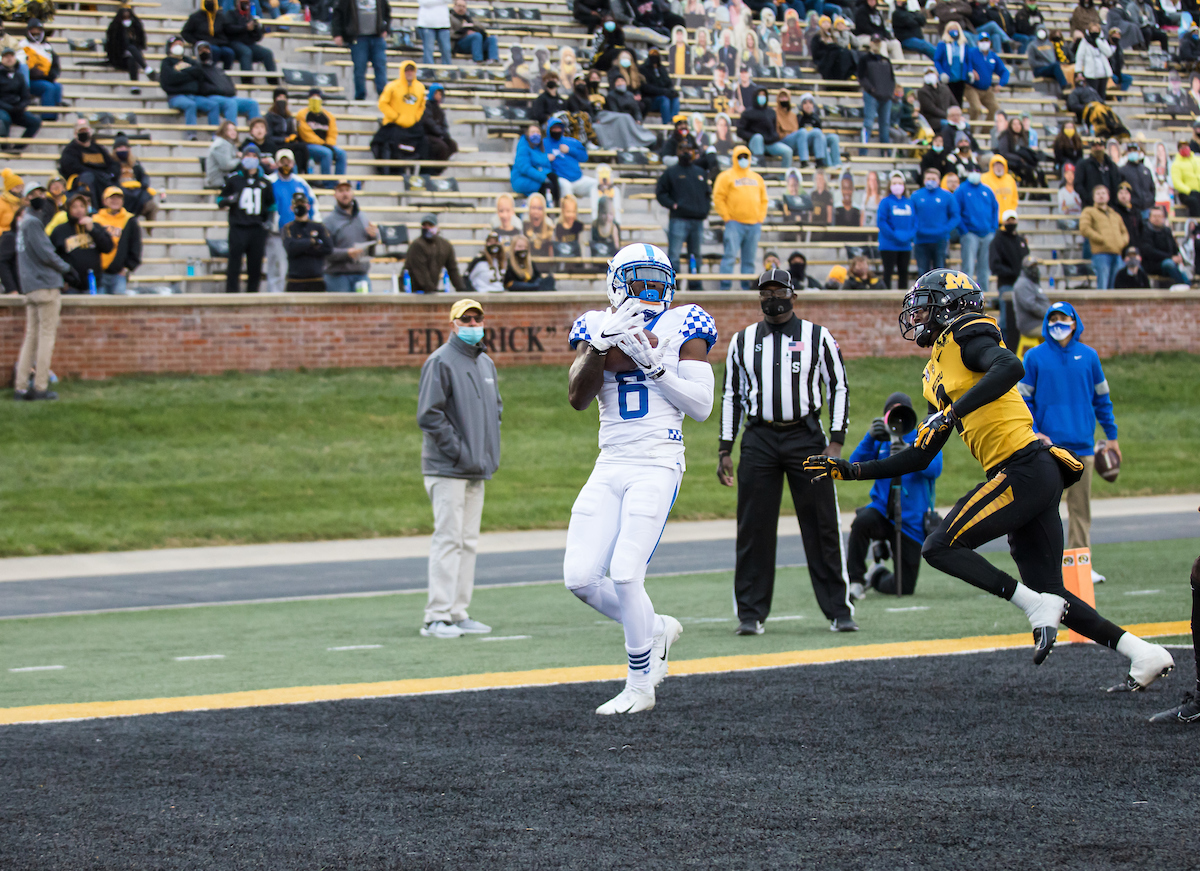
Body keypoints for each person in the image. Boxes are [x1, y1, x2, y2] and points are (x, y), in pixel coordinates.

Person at [803, 269, 1174, 691]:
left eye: (926, 305)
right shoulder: (933, 372)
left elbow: (1009, 365)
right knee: (1052, 594)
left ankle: (1034, 606)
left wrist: (955, 411)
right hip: (1030, 473)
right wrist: (854, 470)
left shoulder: (968, 334)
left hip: (1024, 466)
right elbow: (922, 453)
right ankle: (1141, 651)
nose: (919, 315)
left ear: (952, 305)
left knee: (940, 546)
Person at [564, 243, 714, 712]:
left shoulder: (685, 321)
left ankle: (640, 684)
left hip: (658, 458)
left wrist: (656, 367)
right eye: (638, 279)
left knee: (627, 573)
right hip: (610, 460)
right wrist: (599, 345)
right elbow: (577, 397)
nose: (648, 290)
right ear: (614, 281)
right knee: (580, 577)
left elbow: (702, 406)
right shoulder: (593, 323)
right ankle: (654, 627)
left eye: (656, 279)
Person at [719, 267, 853, 634]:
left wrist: (836, 440)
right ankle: (750, 613)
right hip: (759, 437)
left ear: (794, 295)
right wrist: (724, 448)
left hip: (806, 437)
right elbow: (731, 395)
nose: (772, 298)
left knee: (822, 523)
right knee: (753, 527)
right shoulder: (742, 341)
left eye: (779, 291)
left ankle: (839, 610)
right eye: (765, 292)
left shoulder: (817, 336)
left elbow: (838, 386)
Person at [416, 298, 501, 639]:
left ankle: (457, 611)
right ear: (453, 325)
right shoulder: (440, 362)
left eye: (476, 318)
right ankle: (435, 615)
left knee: (467, 542)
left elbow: (495, 410)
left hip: (476, 468)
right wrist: (460, 452)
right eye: (464, 320)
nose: (471, 324)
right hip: (447, 468)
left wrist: (484, 455)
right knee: (448, 540)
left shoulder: (485, 363)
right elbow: (430, 415)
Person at [1019, 300, 1120, 584]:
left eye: (1063, 319)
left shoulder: (1089, 356)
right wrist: (1036, 431)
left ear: (1075, 322)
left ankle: (1080, 567)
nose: (1057, 324)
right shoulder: (1034, 357)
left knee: (1080, 510)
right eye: (1053, 319)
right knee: (1044, 509)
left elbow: (1102, 400)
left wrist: (1111, 436)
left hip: (1083, 446)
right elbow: (1022, 400)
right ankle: (1045, 569)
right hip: (1049, 449)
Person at [846, 393, 943, 599]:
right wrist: (870, 436)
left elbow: (935, 469)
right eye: (892, 412)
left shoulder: (922, 436)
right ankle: (855, 580)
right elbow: (853, 466)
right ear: (884, 416)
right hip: (882, 512)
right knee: (861, 523)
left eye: (902, 412)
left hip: (910, 521)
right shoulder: (880, 439)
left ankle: (875, 575)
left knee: (904, 587)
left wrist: (911, 455)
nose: (897, 418)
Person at [14, 195, 73, 400]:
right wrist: (67, 268)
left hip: (29, 287)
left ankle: (21, 387)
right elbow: (46, 253)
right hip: (45, 286)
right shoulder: (33, 224)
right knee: (46, 337)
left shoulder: (22, 225)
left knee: (31, 337)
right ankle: (40, 386)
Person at [217, 143, 275, 293]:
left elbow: (271, 205)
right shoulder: (234, 180)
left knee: (255, 266)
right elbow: (219, 201)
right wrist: (229, 200)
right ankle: (231, 295)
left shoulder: (265, 182)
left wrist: (268, 220)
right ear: (242, 158)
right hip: (238, 227)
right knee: (234, 265)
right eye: (248, 155)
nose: (251, 158)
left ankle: (253, 296)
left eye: (254, 156)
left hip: (257, 228)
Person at [656, 137, 709, 287]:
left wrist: (704, 210)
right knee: (674, 254)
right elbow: (661, 193)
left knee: (696, 255)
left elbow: (707, 194)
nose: (686, 152)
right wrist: (672, 205)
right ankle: (674, 285)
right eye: (683, 149)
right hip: (679, 219)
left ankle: (695, 284)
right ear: (677, 151)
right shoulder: (671, 172)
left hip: (697, 220)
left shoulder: (700, 173)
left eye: (689, 149)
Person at [714, 145, 768, 289]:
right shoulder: (726, 176)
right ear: (734, 158)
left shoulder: (757, 178)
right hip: (734, 224)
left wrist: (760, 218)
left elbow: (764, 199)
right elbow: (718, 197)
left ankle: (747, 288)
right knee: (730, 257)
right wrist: (726, 217)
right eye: (740, 157)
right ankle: (725, 287)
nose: (743, 160)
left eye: (745, 157)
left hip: (754, 225)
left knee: (749, 260)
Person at [265, 149, 319, 294]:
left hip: (299, 233)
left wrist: (313, 226)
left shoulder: (301, 183)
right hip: (277, 233)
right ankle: (275, 299)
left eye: (288, 161)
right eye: (282, 161)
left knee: (296, 269)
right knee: (277, 269)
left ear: (293, 162)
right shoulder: (269, 182)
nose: (286, 164)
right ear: (276, 163)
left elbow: (313, 204)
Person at [50, 193, 114, 294]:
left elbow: (108, 247)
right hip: (70, 285)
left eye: (82, 206)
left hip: (94, 284)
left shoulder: (95, 226)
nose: (79, 210)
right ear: (68, 209)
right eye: (74, 207)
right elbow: (52, 257)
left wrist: (92, 230)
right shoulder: (60, 231)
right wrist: (61, 280)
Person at [323, 179, 377, 293]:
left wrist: (373, 237)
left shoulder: (363, 217)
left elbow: (371, 251)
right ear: (335, 195)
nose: (345, 194)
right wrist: (347, 253)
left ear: (352, 193)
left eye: (347, 190)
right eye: (341, 191)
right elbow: (325, 252)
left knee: (365, 310)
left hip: (361, 274)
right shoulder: (329, 221)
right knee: (340, 311)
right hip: (337, 277)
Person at [332, 0, 391, 101]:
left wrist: (385, 28)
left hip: (376, 38)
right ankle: (360, 96)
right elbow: (338, 14)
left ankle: (383, 96)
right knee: (359, 69)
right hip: (358, 38)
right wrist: (337, 33)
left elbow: (387, 12)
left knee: (380, 67)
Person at [374, 61, 428, 167]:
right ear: (402, 72)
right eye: (407, 70)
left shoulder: (420, 87)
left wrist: (416, 117)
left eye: (411, 70)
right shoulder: (392, 86)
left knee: (425, 143)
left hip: (412, 126)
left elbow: (422, 105)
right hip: (394, 125)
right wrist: (395, 117)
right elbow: (382, 103)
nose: (409, 73)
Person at [194, 41, 261, 125]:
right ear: (197, 53)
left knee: (252, 104)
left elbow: (230, 85)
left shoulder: (218, 70)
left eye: (207, 49)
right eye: (201, 50)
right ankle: (231, 134)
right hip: (211, 97)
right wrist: (218, 90)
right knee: (231, 103)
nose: (205, 52)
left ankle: (257, 132)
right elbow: (201, 88)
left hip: (228, 97)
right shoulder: (196, 70)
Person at [92, 186, 143, 295]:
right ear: (104, 201)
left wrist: (127, 267)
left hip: (118, 273)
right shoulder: (95, 219)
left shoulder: (129, 220)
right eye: (111, 198)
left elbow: (135, 246)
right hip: (98, 273)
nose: (115, 201)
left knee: (119, 307)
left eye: (118, 198)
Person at [989, 208, 1029, 345]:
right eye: (1008, 220)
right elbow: (994, 265)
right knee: (1006, 320)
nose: (1011, 222)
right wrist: (1013, 272)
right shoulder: (997, 241)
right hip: (1007, 284)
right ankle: (1002, 346)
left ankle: (1016, 347)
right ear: (1003, 222)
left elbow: (1026, 260)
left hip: (1022, 284)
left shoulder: (1021, 240)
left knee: (1021, 317)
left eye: (1013, 219)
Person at [955, 166, 999, 291]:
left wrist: (993, 228)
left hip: (987, 233)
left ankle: (983, 294)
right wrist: (964, 230)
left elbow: (995, 208)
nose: (974, 174)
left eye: (977, 172)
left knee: (985, 267)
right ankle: (966, 295)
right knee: (968, 266)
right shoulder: (961, 190)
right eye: (972, 171)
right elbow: (955, 211)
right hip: (970, 233)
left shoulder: (987, 190)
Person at [912, 167, 961, 273]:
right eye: (928, 178)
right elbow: (911, 216)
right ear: (924, 180)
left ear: (939, 180)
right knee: (922, 272)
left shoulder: (947, 196)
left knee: (940, 272)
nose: (931, 181)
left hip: (940, 239)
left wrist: (945, 229)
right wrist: (916, 229)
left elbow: (956, 216)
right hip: (921, 240)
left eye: (933, 179)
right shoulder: (916, 196)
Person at [280, 192, 332, 292]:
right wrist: (312, 242)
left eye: (302, 204)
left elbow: (328, 248)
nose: (300, 207)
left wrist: (301, 247)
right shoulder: (288, 228)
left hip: (316, 279)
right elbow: (290, 248)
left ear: (308, 206)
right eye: (297, 204)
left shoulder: (318, 227)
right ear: (292, 208)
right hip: (295, 280)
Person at [1080, 183, 1128, 288]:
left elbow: (1124, 232)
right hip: (1101, 254)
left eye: (1103, 193)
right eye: (1098, 194)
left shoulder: (1115, 214)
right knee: (1103, 285)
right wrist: (1101, 239)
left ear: (1108, 196)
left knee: (1115, 286)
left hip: (1117, 254)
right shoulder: (1089, 211)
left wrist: (1121, 242)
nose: (1101, 195)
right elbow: (1084, 228)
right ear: (1093, 197)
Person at [877, 170, 916, 289]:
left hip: (905, 245)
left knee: (904, 273)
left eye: (900, 183)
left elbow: (915, 222)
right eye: (894, 183)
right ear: (890, 185)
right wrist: (895, 235)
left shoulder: (909, 203)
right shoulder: (885, 202)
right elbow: (881, 222)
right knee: (888, 273)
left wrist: (909, 236)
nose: (897, 185)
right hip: (889, 245)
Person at [407, 214, 466, 293]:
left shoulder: (445, 245)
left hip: (430, 289)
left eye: (430, 225)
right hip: (414, 290)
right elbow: (420, 271)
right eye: (424, 225)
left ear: (437, 228)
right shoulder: (417, 245)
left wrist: (461, 289)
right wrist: (430, 289)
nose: (427, 228)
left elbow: (452, 269)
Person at [298, 90, 345, 187]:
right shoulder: (302, 114)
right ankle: (327, 184)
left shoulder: (328, 116)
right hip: (308, 146)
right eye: (313, 97)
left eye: (318, 97)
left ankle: (339, 183)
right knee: (326, 153)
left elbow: (332, 132)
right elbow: (305, 134)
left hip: (326, 145)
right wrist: (323, 144)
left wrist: (329, 143)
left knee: (342, 154)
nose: (315, 99)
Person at [543, 116, 594, 205]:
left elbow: (584, 157)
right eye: (554, 128)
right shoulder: (544, 143)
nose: (556, 130)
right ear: (549, 129)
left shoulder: (570, 142)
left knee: (597, 185)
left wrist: (570, 150)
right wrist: (545, 158)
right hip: (561, 179)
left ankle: (598, 215)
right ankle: (568, 216)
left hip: (578, 179)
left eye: (559, 128)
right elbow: (535, 157)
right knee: (565, 186)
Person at [19, 19, 62, 121]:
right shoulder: (23, 45)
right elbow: (21, 67)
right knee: (48, 87)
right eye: (33, 30)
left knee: (57, 86)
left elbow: (55, 66)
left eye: (38, 30)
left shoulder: (47, 46)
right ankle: (48, 117)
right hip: (29, 81)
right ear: (28, 31)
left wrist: (49, 75)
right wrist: (34, 73)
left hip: (45, 77)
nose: (36, 33)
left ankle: (55, 115)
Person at [738, 87, 792, 166]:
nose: (762, 97)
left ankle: (784, 176)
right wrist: (753, 136)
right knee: (758, 137)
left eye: (764, 95)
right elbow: (740, 131)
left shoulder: (771, 112)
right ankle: (761, 167)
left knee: (787, 151)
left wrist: (773, 137)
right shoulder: (748, 113)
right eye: (759, 95)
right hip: (754, 143)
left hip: (769, 144)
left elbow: (774, 130)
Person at [106, 3, 153, 92]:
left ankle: (134, 86)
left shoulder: (136, 25)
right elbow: (113, 45)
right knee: (131, 48)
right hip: (119, 57)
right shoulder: (115, 26)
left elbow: (140, 43)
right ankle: (146, 68)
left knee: (132, 57)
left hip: (133, 57)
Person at [0, 46, 41, 148]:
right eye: (6, 56)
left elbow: (25, 95)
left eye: (11, 56)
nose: (9, 59)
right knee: (4, 119)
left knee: (35, 122)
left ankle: (19, 147)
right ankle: (4, 146)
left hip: (16, 107)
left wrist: (21, 106)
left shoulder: (19, 76)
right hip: (2, 107)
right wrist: (10, 108)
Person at [223, 0, 276, 78]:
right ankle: (247, 81)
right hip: (234, 42)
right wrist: (245, 28)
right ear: (237, 3)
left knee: (267, 53)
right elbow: (228, 29)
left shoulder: (250, 17)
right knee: (246, 52)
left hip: (249, 43)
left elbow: (257, 37)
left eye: (247, 2)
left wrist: (256, 29)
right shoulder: (230, 14)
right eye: (242, 2)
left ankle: (273, 81)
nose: (245, 4)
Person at [786, 92, 840, 167]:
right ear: (801, 105)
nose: (808, 105)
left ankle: (837, 164)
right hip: (806, 144)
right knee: (817, 133)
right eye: (805, 103)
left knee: (833, 137)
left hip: (818, 143)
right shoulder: (798, 117)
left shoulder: (816, 117)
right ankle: (822, 162)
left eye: (810, 103)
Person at [858, 36, 896, 144]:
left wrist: (889, 92)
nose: (876, 44)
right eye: (874, 42)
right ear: (870, 43)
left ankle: (886, 153)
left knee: (885, 125)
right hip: (871, 95)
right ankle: (863, 151)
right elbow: (861, 77)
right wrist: (871, 89)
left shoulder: (886, 60)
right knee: (868, 123)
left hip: (886, 96)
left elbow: (892, 78)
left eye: (878, 42)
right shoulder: (865, 59)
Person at [1139, 205, 1190, 284]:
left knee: (1183, 272)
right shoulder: (1146, 231)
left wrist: (1178, 257)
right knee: (1169, 264)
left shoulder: (1166, 231)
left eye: (1159, 216)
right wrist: (1170, 257)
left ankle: (1189, 288)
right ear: (1149, 217)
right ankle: (1183, 285)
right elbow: (1149, 251)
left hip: (1169, 261)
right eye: (1154, 216)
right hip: (1153, 264)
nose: (1157, 218)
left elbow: (1174, 248)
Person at [1012, 255, 1050, 357]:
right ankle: (1055, 361)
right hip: (1030, 325)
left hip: (1039, 322)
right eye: (1031, 267)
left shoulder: (1032, 282)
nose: (1035, 270)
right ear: (1025, 268)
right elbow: (1030, 306)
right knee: (1057, 330)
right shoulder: (1022, 284)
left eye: (1036, 266)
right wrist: (1049, 315)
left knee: (1065, 328)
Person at [963, 34, 1008, 121]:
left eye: (986, 41)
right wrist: (970, 70)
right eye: (982, 41)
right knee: (976, 108)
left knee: (996, 110)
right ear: (978, 42)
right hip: (972, 87)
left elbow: (1004, 71)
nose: (984, 43)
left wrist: (1001, 84)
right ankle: (970, 131)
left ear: (990, 43)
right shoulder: (971, 52)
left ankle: (986, 132)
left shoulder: (993, 56)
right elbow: (964, 64)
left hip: (987, 89)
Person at [182, 0, 236, 69]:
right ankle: (210, 72)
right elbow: (185, 32)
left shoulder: (220, 17)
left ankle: (225, 73)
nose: (210, 3)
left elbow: (228, 30)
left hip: (220, 43)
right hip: (203, 44)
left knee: (229, 52)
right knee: (215, 50)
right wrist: (196, 42)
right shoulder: (195, 17)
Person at [639, 48, 679, 125]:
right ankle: (667, 124)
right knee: (664, 100)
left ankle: (675, 122)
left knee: (675, 98)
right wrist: (662, 92)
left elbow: (668, 82)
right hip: (651, 99)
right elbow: (646, 87)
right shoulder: (643, 69)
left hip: (663, 95)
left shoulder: (662, 69)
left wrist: (671, 91)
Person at [1075, 24, 1113, 99]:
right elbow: (1079, 57)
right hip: (1091, 73)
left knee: (1102, 94)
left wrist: (1098, 41)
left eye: (1096, 30)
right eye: (1093, 30)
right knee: (1092, 93)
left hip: (1103, 72)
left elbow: (1108, 53)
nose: (1094, 32)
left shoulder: (1102, 40)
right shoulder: (1085, 42)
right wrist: (1078, 71)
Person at [205, 119, 242, 188]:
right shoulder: (221, 144)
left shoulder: (229, 143)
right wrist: (240, 159)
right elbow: (227, 165)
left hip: (223, 177)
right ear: (223, 131)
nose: (233, 132)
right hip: (218, 180)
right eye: (229, 130)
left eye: (234, 130)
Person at [418, 0, 453, 65]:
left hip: (443, 24)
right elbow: (423, 2)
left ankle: (447, 71)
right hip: (427, 24)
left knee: (446, 50)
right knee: (429, 50)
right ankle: (429, 72)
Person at [1170, 140, 1200, 217]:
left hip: (1198, 191)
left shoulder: (1196, 160)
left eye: (1186, 146)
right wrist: (1189, 191)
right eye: (1182, 147)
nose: (1185, 149)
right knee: (1193, 202)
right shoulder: (1176, 164)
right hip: (1186, 193)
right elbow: (1177, 182)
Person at [522, 192, 555, 259]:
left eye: (539, 208)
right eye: (533, 208)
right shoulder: (524, 226)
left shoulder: (549, 227)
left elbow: (552, 256)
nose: (536, 212)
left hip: (545, 267)